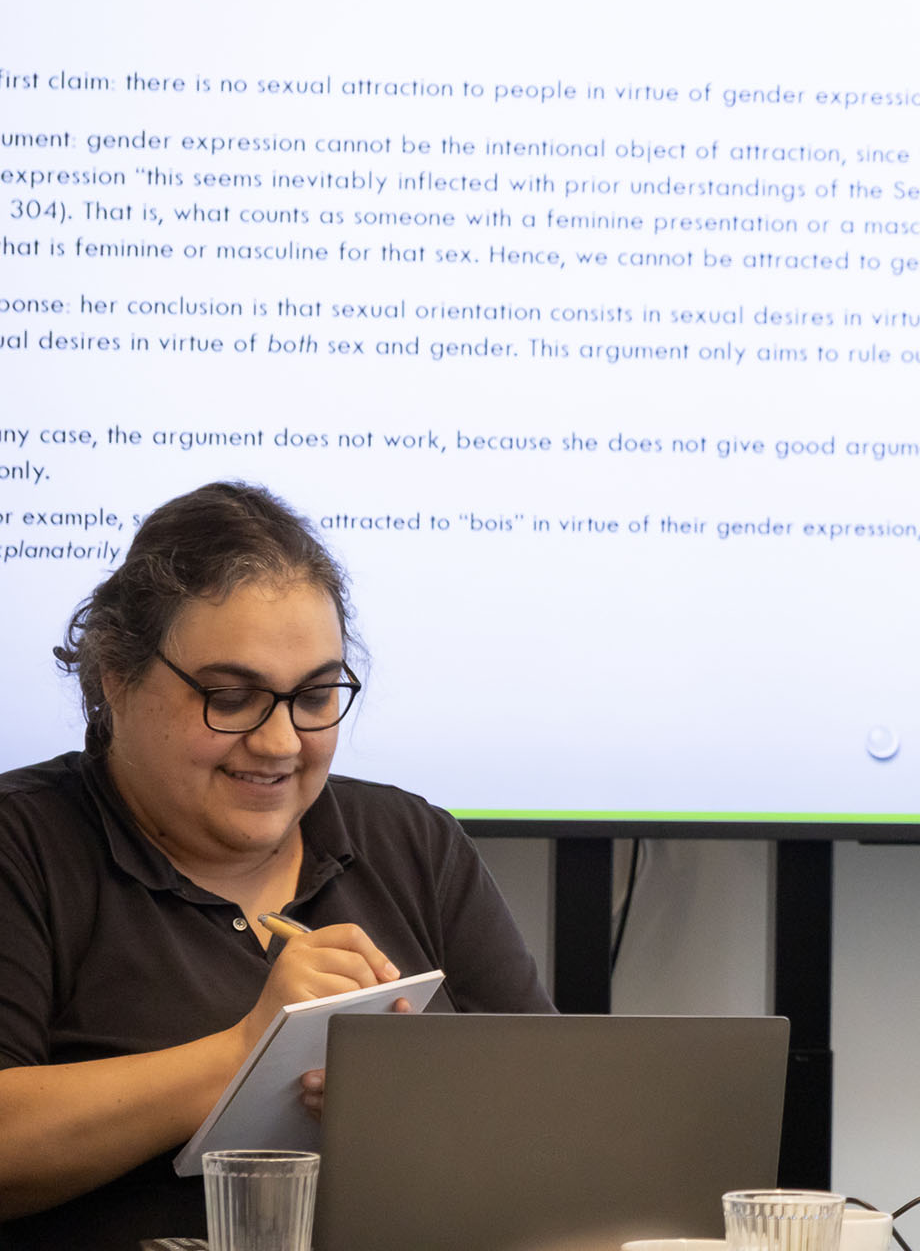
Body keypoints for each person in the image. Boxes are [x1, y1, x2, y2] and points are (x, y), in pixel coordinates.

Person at [0, 482, 555, 1248]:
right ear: (115, 678)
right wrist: (244, 1052)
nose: (281, 743)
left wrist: (428, 1106)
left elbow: (552, 1107)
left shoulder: (412, 841)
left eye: (316, 696)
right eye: (231, 698)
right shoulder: (23, 845)